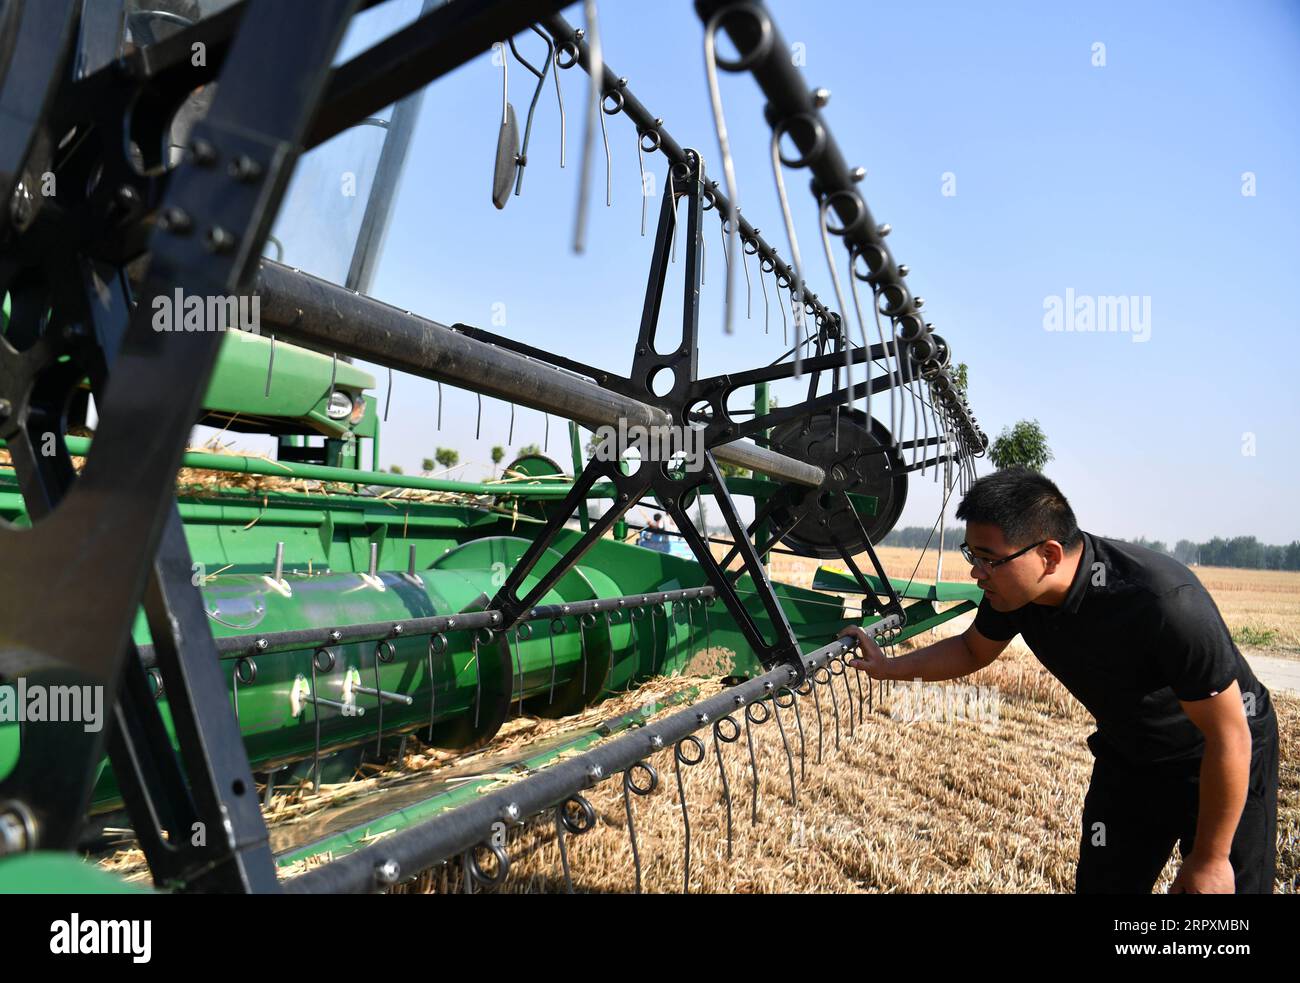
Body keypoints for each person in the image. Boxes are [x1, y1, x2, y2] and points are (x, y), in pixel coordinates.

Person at [838, 467, 1279, 894]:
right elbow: (973, 649)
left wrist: (1211, 858)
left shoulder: (1162, 601)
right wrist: (889, 666)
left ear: (1048, 555)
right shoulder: (1014, 591)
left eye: (989, 559)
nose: (977, 573)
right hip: (1129, 756)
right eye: (973, 556)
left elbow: (1229, 735)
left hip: (1217, 757)